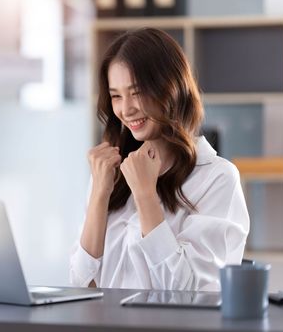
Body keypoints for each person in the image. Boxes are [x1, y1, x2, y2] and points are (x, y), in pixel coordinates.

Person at [69, 28, 250, 291]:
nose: (126, 108)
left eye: (137, 91)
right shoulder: (110, 174)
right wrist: (99, 194)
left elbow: (186, 291)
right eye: (116, 95)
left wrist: (145, 196)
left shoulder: (217, 177)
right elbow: (80, 285)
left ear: (171, 88)